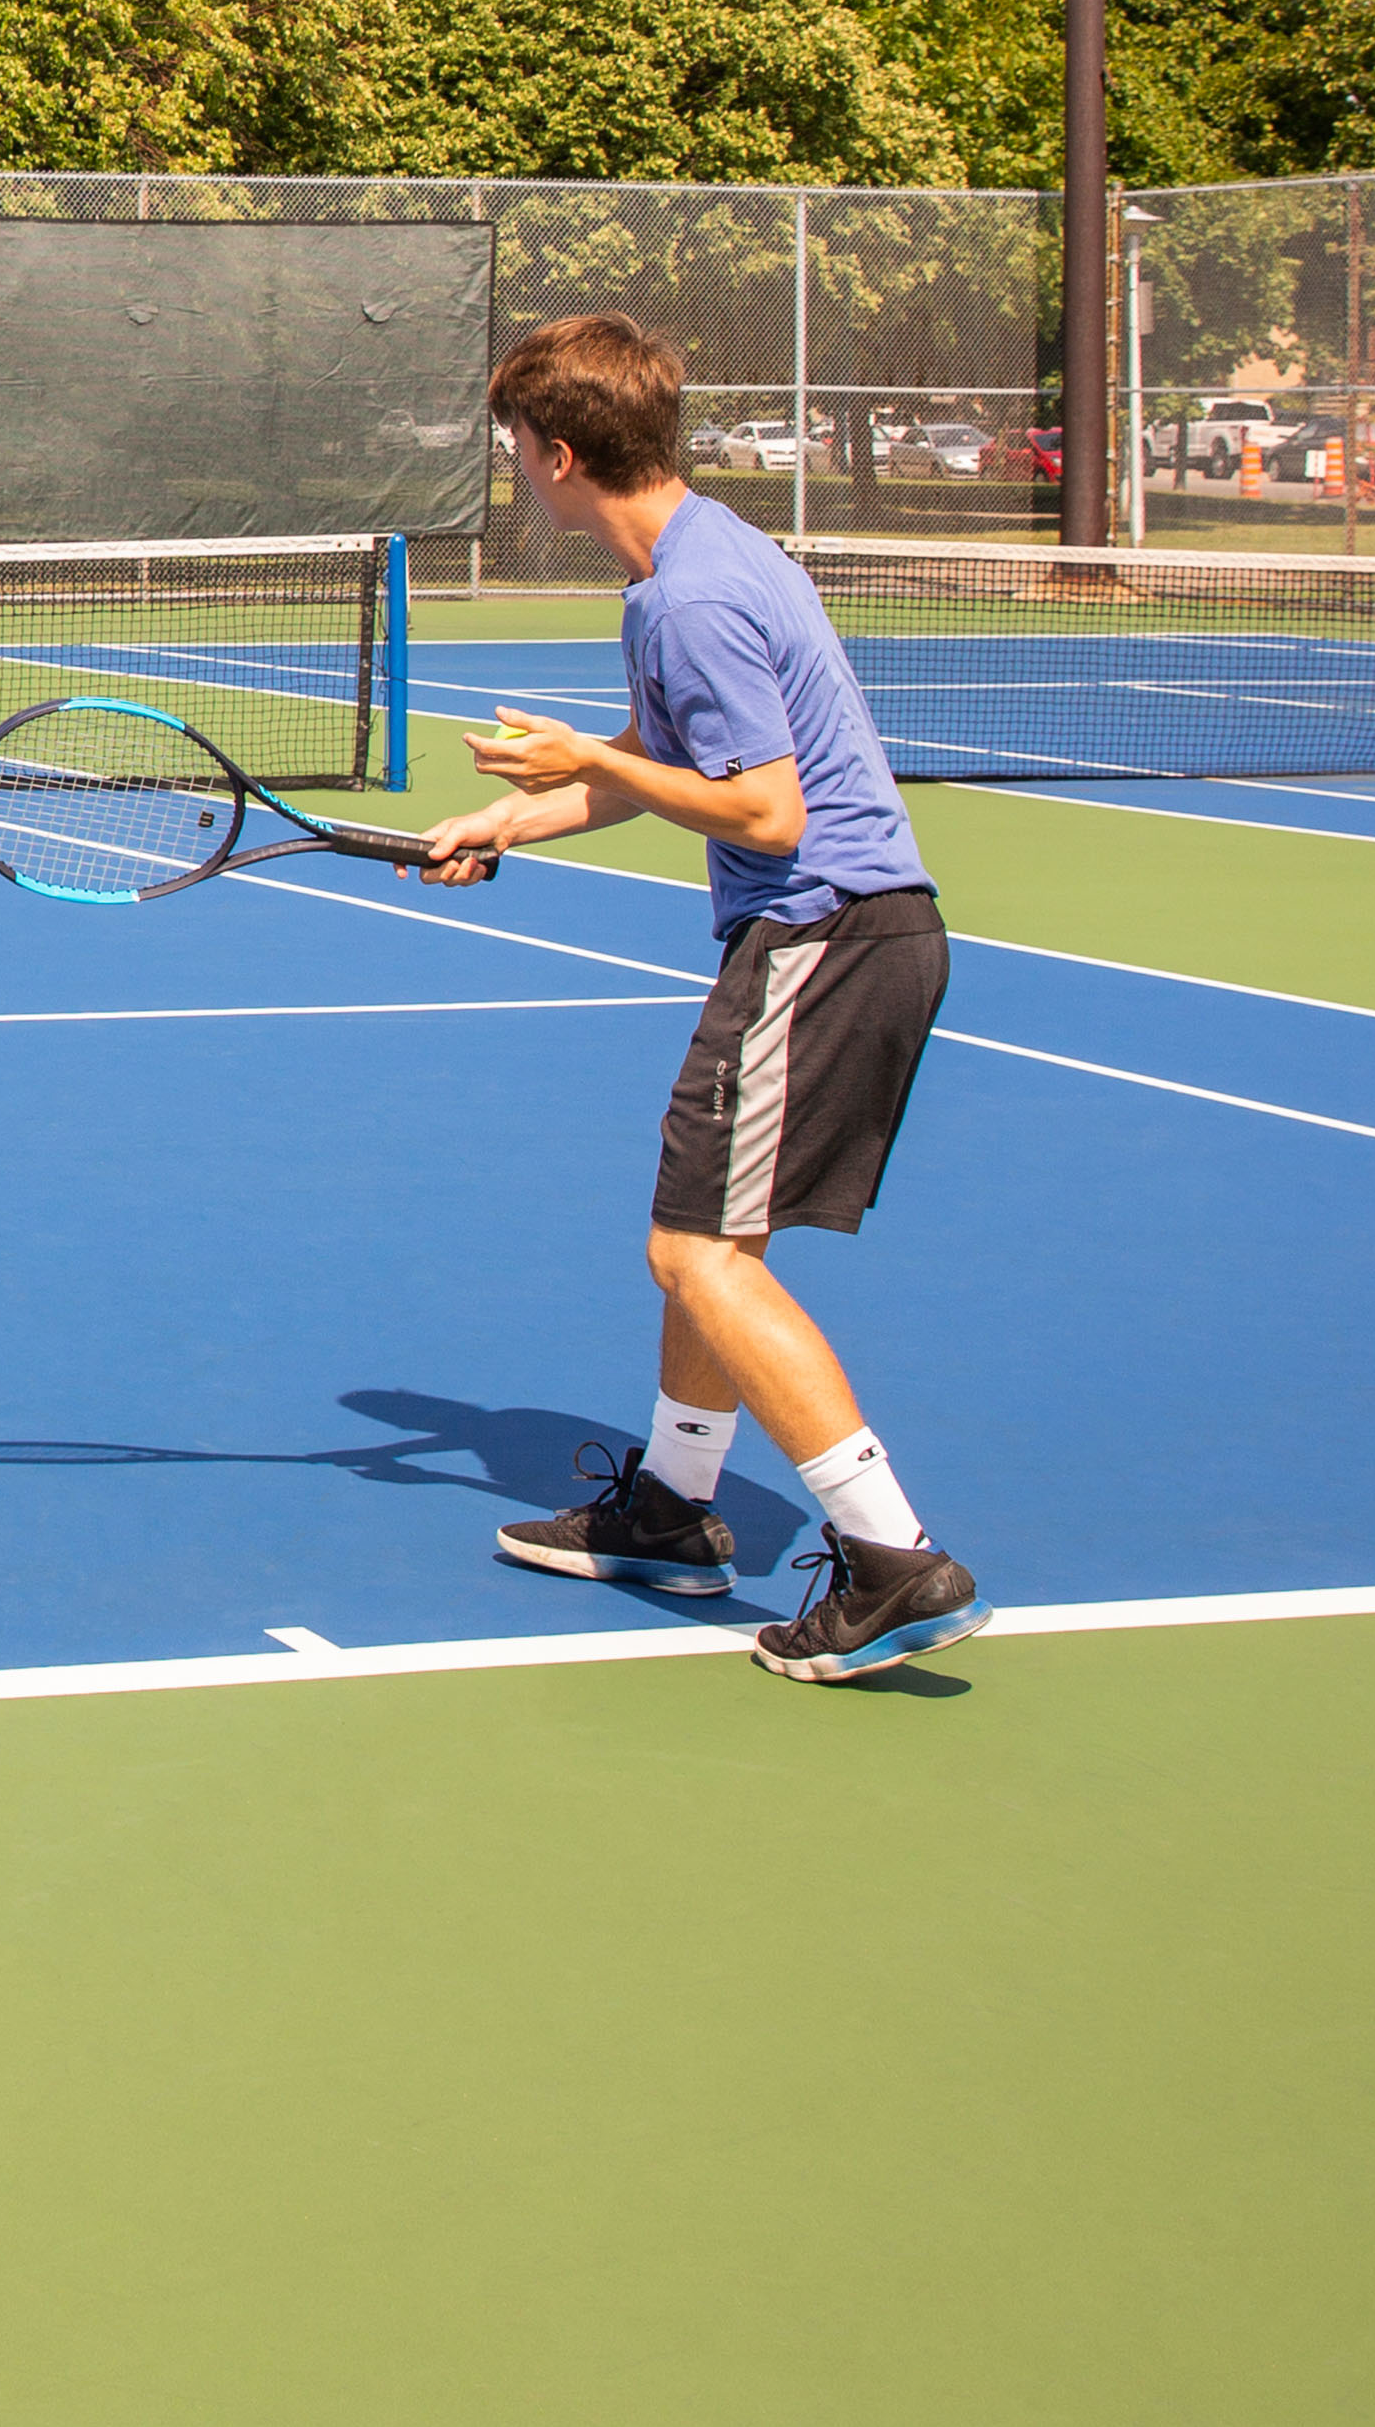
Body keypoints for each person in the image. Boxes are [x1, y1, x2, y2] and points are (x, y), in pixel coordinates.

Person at [416, 312, 985, 1683]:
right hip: (842, 937)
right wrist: (505, 815)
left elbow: (767, 812)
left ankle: (893, 1558)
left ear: (559, 457)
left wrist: (560, 757)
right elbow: (652, 767)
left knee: (699, 1258)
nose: (516, 477)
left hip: (822, 936)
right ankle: (673, 1508)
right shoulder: (705, 551)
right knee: (703, 1234)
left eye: (514, 453)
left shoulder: (688, 595)